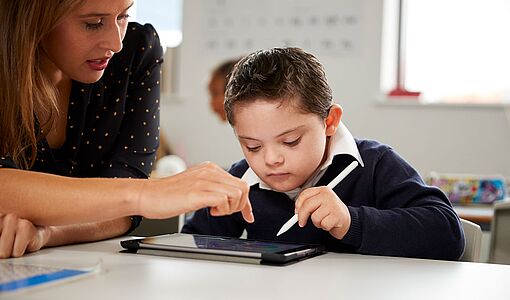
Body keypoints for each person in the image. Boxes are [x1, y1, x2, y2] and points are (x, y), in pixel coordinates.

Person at [0, 0, 253, 259]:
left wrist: (46, 233)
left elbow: (124, 210)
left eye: (123, 16)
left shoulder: (136, 49)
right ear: (34, 17)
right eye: (93, 24)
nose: (115, 43)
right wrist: (146, 193)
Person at [182, 47, 465, 260]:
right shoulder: (242, 178)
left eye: (290, 141)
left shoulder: (375, 164)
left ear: (330, 122)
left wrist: (351, 222)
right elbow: (190, 248)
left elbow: (448, 235)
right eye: (252, 146)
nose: (270, 160)